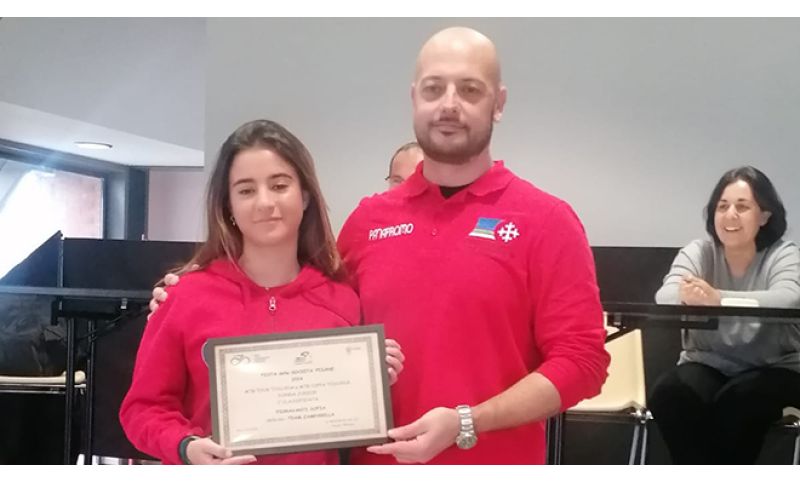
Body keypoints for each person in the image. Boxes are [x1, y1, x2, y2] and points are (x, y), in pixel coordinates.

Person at [150, 27, 609, 465]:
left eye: (470, 89)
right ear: (414, 98)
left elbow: (583, 362)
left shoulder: (547, 221)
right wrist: (186, 295)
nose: (449, 105)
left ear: (499, 103)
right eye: (434, 89)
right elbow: (302, 302)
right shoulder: (369, 221)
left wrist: (467, 422)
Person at [120, 119, 404, 465]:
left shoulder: (341, 299)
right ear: (228, 205)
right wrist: (186, 446)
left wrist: (371, 379)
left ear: (305, 195)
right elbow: (142, 409)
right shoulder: (184, 296)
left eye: (279, 185)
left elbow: (344, 421)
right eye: (246, 190)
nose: (264, 202)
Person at [649, 166, 800, 464]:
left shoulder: (783, 253)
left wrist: (717, 299)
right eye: (722, 206)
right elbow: (664, 296)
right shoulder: (699, 251)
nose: (730, 215)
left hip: (778, 367)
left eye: (742, 207)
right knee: (671, 393)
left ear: (764, 216)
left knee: (741, 399)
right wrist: (687, 295)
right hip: (709, 363)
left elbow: (789, 298)